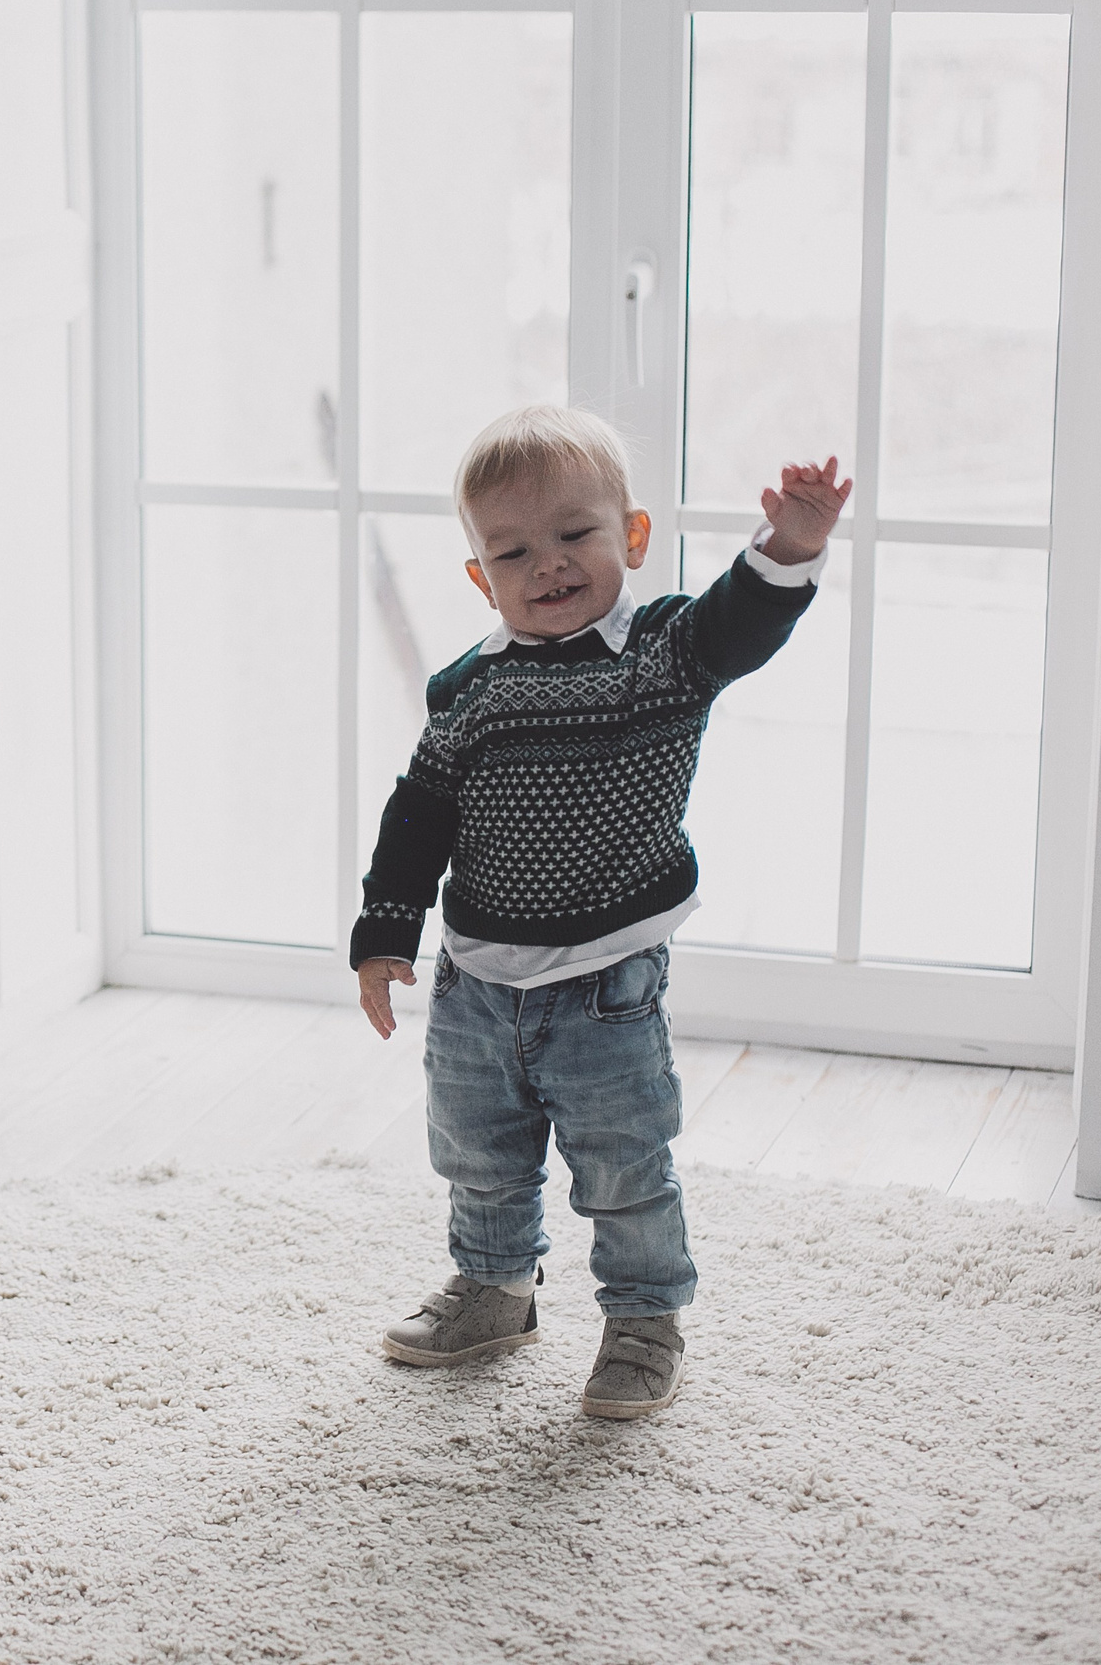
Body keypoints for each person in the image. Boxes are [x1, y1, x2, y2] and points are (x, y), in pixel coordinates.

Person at [353, 405, 847, 1419]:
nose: (547, 565)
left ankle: (642, 1319)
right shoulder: (470, 690)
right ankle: (495, 1289)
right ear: (480, 578)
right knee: (477, 1155)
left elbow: (741, 621)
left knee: (623, 1167)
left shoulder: (662, 655)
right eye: (513, 551)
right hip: (478, 984)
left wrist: (788, 545)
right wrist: (384, 929)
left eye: (573, 535)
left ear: (630, 535)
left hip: (606, 986)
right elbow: (420, 812)